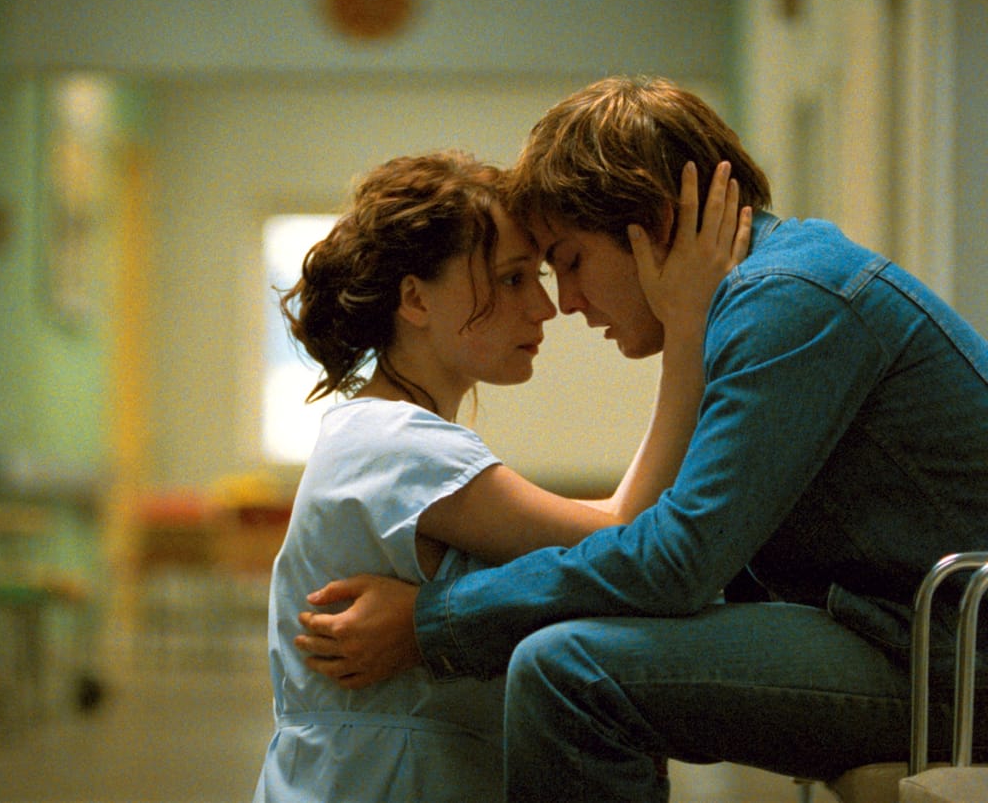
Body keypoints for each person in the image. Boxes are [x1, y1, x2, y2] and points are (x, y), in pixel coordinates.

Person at [294, 76, 988, 803]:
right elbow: (682, 552)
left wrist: (433, 623)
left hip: (953, 657)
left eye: (569, 261)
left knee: (570, 671)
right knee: (584, 641)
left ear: (656, 223)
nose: (565, 302)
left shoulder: (789, 300)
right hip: (913, 634)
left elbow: (677, 562)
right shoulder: (775, 290)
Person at [253, 148, 750, 802]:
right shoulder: (400, 445)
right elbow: (624, 534)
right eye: (513, 279)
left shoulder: (375, 432)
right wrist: (686, 328)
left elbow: (606, 527)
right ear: (415, 298)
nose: (545, 307)